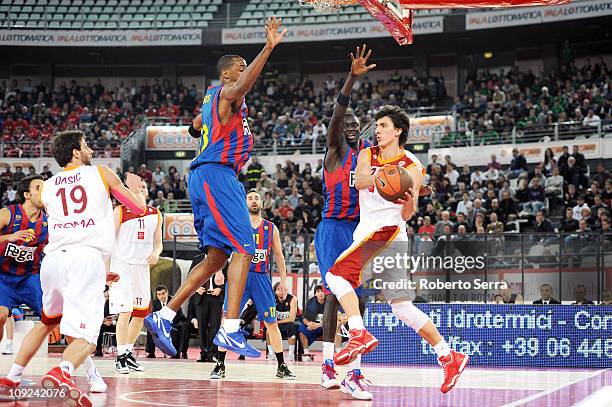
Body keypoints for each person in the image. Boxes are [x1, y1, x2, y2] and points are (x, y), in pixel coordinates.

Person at [145, 17, 286, 359]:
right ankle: (232, 327)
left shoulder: (211, 97)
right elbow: (240, 89)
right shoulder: (227, 92)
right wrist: (266, 49)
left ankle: (164, 316)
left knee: (215, 259)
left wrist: (201, 131)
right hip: (218, 176)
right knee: (244, 246)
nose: (244, 70)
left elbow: (194, 128)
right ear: (227, 75)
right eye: (241, 67)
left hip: (209, 176)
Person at [324, 105, 468, 395]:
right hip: (372, 232)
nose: (377, 130)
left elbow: (406, 215)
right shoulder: (368, 154)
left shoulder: (413, 165)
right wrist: (387, 177)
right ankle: (448, 355)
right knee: (401, 306)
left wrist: (410, 197)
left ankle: (357, 333)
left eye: (383, 126)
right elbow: (361, 180)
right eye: (376, 125)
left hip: (388, 232)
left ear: (398, 130)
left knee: (336, 278)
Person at [1, 131, 146, 405]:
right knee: (88, 337)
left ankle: (12, 378)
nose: (90, 148)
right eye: (86, 145)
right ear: (76, 152)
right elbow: (136, 209)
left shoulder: (46, 186)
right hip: (84, 258)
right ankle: (63, 372)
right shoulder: (102, 173)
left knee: (47, 321)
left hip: (54, 260)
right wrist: (136, 190)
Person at [312, 44, 376, 398]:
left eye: (355, 125)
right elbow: (338, 114)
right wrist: (352, 78)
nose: (350, 127)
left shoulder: (366, 155)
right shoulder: (335, 151)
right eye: (346, 124)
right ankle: (327, 365)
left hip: (358, 230)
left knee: (359, 298)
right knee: (337, 293)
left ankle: (354, 371)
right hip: (333, 228)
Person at [211, 190, 295, 380]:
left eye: (257, 197)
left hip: (261, 277)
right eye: (250, 198)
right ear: (244, 203)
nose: (254, 200)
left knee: (271, 323)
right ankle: (219, 365)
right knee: (227, 322)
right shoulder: (236, 225)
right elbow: (221, 249)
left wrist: (283, 280)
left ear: (262, 203)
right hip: (238, 277)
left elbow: (279, 256)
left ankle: (282, 365)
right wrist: (217, 271)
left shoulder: (270, 227)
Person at [109, 183, 162, 374]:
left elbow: (158, 244)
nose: (140, 190)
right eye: (135, 188)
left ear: (147, 192)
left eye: (143, 187)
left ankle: (128, 354)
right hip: (121, 266)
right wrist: (107, 271)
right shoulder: (120, 211)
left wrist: (156, 253)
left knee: (140, 314)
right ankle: (120, 358)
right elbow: (108, 241)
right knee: (125, 313)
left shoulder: (156, 213)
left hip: (142, 268)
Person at [186, 251, 225, 363]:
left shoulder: (222, 257)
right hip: (201, 297)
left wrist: (220, 289)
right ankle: (203, 353)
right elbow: (190, 276)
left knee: (215, 326)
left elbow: (228, 278)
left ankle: (212, 353)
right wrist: (196, 288)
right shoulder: (197, 258)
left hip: (216, 298)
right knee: (201, 327)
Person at [146, 286, 191, 359]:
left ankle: (176, 354)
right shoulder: (155, 303)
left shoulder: (174, 300)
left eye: (163, 293)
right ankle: (151, 353)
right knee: (151, 329)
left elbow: (179, 315)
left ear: (167, 293)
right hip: (160, 325)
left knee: (177, 329)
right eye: (159, 294)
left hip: (173, 324)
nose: (161, 296)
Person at [299, 285, 325, 361]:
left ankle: (330, 354)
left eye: (322, 291)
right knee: (301, 330)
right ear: (315, 294)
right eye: (318, 291)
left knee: (332, 329)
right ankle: (306, 353)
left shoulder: (329, 302)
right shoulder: (310, 302)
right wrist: (308, 324)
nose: (320, 293)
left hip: (325, 327)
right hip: (312, 326)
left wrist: (319, 325)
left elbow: (333, 319)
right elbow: (304, 318)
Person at [273, 281, 298, 359]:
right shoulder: (271, 299)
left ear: (287, 290)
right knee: (268, 329)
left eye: (283, 290)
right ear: (275, 291)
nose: (281, 292)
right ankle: (271, 354)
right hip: (277, 324)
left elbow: (292, 318)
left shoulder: (293, 299)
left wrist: (276, 322)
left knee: (292, 326)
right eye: (278, 290)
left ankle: (291, 354)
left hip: (289, 323)